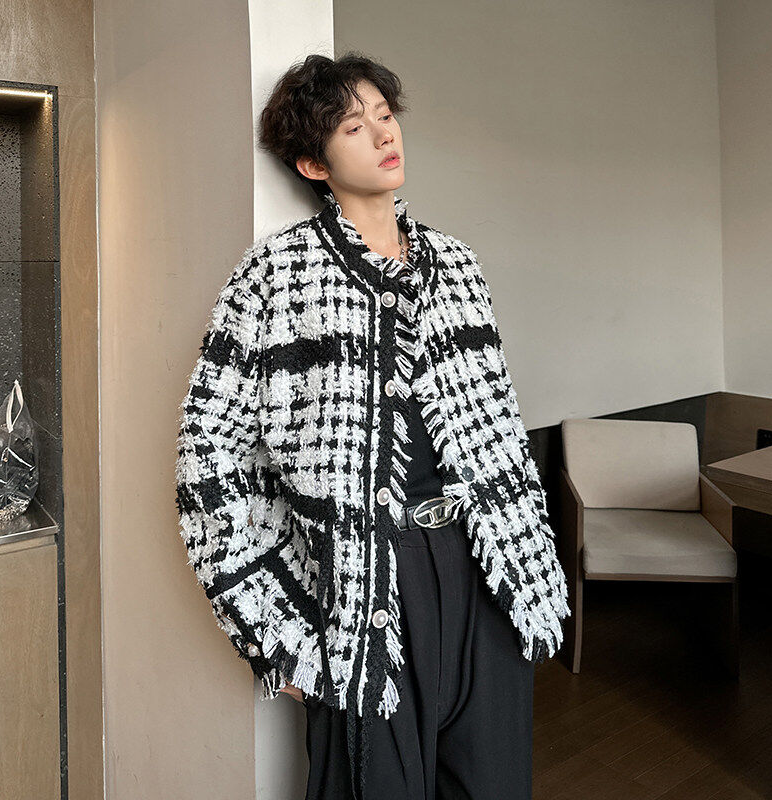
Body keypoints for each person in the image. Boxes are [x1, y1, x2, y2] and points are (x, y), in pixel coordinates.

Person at [176, 51, 569, 800]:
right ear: (313, 164)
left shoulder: (458, 264)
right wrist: (273, 631)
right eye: (354, 127)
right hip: (364, 592)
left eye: (385, 116)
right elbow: (208, 462)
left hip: (486, 574)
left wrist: (530, 564)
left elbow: (501, 424)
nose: (385, 134)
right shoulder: (274, 277)